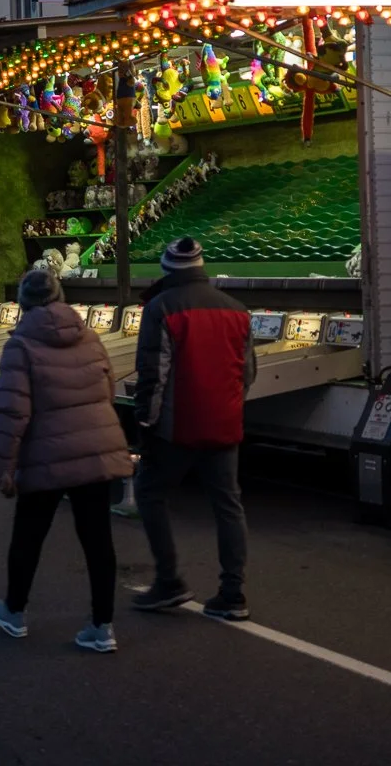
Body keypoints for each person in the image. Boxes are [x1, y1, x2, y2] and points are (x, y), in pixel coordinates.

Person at [0, 266, 133, 653]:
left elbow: (12, 411)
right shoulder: (91, 336)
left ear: (23, 304)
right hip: (95, 449)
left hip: (47, 454)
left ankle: (14, 612)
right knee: (98, 538)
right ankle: (102, 627)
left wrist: (2, 468)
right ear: (60, 297)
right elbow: (108, 389)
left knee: (29, 534)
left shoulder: (20, 345)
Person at [130, 237, 256, 621]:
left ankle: (169, 581)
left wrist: (144, 425)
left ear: (167, 270)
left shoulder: (160, 308)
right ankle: (232, 594)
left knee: (149, 493)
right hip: (224, 425)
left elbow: (154, 375)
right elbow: (247, 373)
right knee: (228, 506)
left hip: (176, 427)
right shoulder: (238, 311)